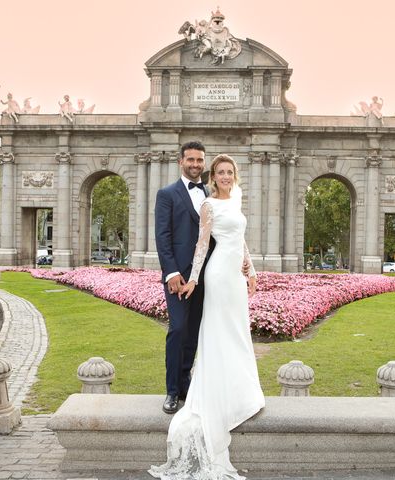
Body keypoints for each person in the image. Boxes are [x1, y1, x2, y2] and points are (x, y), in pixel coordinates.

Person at [150, 154, 264, 480]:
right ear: (214, 176)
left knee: (239, 332)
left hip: (236, 277)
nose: (226, 176)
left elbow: (240, 239)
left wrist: (252, 271)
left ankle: (242, 391)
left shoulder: (237, 199)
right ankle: (203, 393)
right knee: (216, 333)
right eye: (221, 172)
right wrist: (194, 278)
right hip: (216, 276)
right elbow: (202, 246)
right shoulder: (209, 205)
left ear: (234, 175)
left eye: (230, 172)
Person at [154, 141, 210, 415]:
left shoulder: (211, 194)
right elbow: (163, 237)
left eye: (200, 160)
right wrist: (172, 273)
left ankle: (186, 385)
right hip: (179, 277)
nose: (196, 164)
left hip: (206, 277)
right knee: (177, 330)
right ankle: (172, 391)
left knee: (194, 333)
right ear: (181, 162)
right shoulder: (167, 194)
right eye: (191, 160)